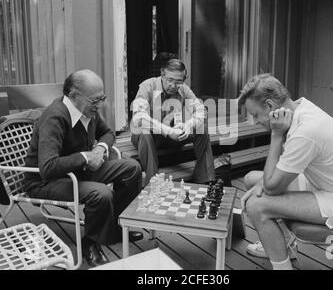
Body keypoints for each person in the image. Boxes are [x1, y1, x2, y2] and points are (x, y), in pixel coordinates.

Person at [238, 74, 333, 270]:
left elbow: (272, 187)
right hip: (326, 185)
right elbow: (278, 171)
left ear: (270, 106)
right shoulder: (300, 107)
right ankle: (283, 248)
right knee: (251, 179)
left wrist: (276, 135)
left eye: (255, 114)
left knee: (256, 206)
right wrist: (263, 184)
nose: (253, 121)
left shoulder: (306, 131)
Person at [24, 69, 144, 268]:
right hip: (46, 181)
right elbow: (47, 167)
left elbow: (106, 133)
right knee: (101, 193)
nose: (100, 105)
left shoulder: (87, 110)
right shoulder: (54, 118)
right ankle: (90, 242)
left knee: (132, 168)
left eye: (102, 98)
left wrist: (100, 147)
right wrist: (84, 157)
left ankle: (114, 228)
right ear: (73, 95)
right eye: (95, 100)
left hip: (77, 172)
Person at [131, 58, 215, 185]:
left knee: (201, 127)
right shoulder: (147, 86)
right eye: (170, 80)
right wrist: (168, 131)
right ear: (162, 75)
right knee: (144, 130)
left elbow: (201, 111)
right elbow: (138, 117)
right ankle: (152, 182)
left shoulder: (184, 89)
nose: (173, 86)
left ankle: (205, 179)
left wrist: (188, 125)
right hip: (151, 137)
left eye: (178, 82)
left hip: (173, 136)